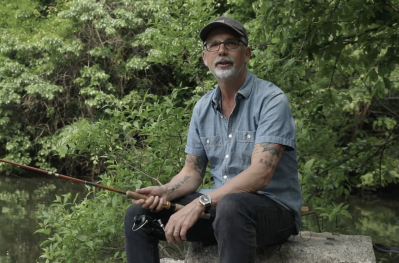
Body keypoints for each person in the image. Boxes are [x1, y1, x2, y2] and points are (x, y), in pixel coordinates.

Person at [124, 16, 302, 263]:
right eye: (213, 44)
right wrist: (165, 192)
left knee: (231, 207)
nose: (221, 50)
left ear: (247, 53)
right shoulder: (203, 107)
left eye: (231, 43)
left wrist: (201, 203)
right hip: (221, 211)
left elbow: (260, 174)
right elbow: (192, 171)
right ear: (204, 57)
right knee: (139, 214)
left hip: (273, 212)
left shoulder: (271, 100)